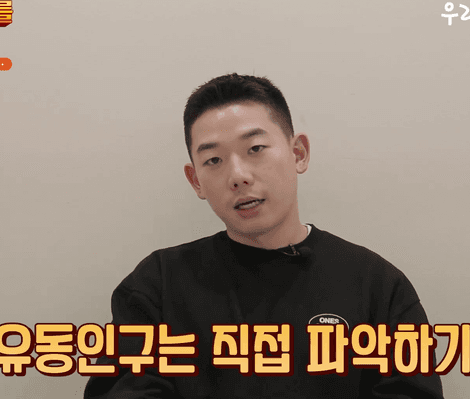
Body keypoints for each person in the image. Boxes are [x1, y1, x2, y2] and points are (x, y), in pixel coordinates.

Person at [83, 73, 444, 398]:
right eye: (213, 160)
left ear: (298, 153)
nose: (238, 176)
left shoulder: (377, 285)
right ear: (196, 181)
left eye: (255, 149)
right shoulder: (158, 284)